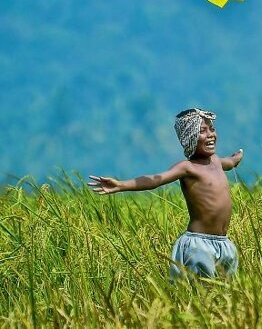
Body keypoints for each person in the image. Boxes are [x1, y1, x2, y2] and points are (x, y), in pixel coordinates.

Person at [88, 108, 243, 279]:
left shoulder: (216, 162)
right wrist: (121, 185)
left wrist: (236, 158)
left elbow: (228, 163)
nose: (210, 134)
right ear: (190, 138)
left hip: (224, 243)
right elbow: (156, 180)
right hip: (200, 244)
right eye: (202, 131)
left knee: (226, 295)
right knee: (201, 293)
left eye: (212, 129)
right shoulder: (188, 168)